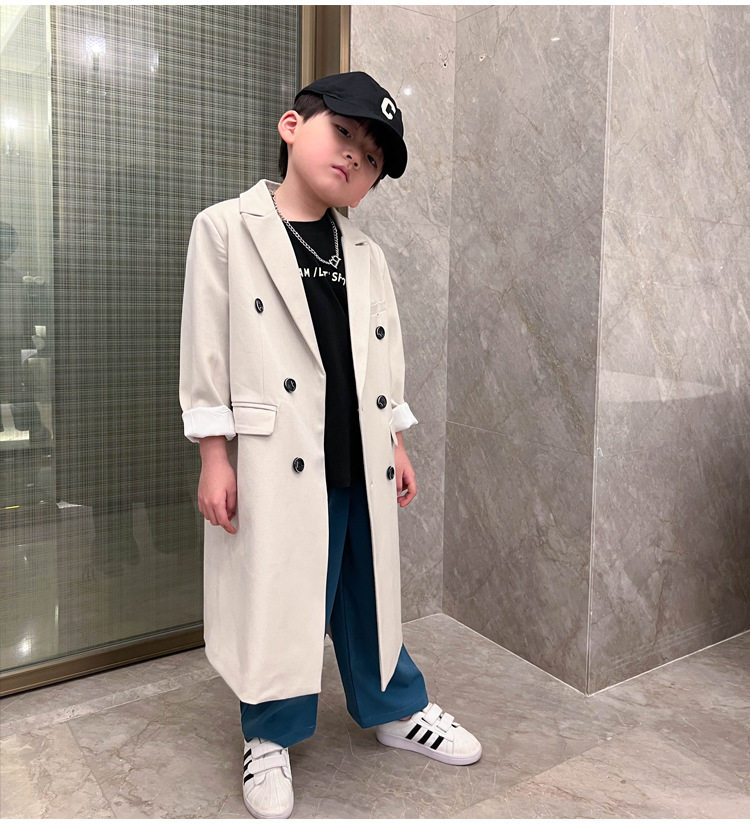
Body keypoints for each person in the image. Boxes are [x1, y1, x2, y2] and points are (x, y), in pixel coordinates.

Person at [179, 71, 481, 819]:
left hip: (357, 453)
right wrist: (214, 455)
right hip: (277, 457)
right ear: (292, 126)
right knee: (281, 596)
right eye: (343, 133)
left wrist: (396, 440)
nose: (354, 156)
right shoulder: (226, 228)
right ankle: (269, 734)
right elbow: (206, 349)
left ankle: (393, 709)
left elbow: (384, 354)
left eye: (372, 157)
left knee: (367, 590)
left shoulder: (366, 253)